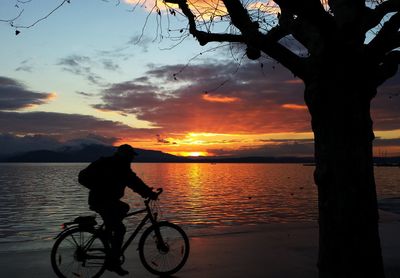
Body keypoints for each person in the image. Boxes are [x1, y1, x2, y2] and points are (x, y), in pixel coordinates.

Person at [80, 144, 156, 276]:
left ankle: (107, 232)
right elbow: (134, 181)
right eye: (131, 156)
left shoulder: (111, 162)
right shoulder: (120, 166)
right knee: (120, 229)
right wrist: (149, 193)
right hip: (103, 201)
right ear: (125, 155)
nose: (132, 158)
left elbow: (133, 181)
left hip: (102, 200)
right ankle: (113, 262)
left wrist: (147, 191)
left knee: (124, 207)